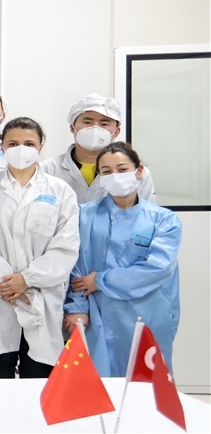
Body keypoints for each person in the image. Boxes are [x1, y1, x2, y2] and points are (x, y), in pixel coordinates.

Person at [0, 117, 79, 379]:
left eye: (29, 143)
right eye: (13, 143)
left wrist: (26, 279)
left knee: (38, 374)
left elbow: (65, 245)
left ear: (40, 147)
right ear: (2, 147)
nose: (21, 149)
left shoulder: (60, 191)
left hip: (41, 293)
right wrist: (8, 282)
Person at [64, 142, 182, 377]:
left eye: (122, 169)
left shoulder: (163, 220)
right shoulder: (83, 215)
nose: (115, 176)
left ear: (138, 171)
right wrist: (77, 308)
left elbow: (158, 267)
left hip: (147, 314)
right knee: (96, 384)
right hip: (96, 314)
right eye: (106, 171)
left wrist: (101, 280)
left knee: (146, 384)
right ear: (100, 177)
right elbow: (75, 266)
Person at [41, 94, 156, 204]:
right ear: (72, 127)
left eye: (104, 124)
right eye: (87, 122)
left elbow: (148, 213)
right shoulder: (47, 169)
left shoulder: (135, 172)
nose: (95, 128)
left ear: (116, 132)